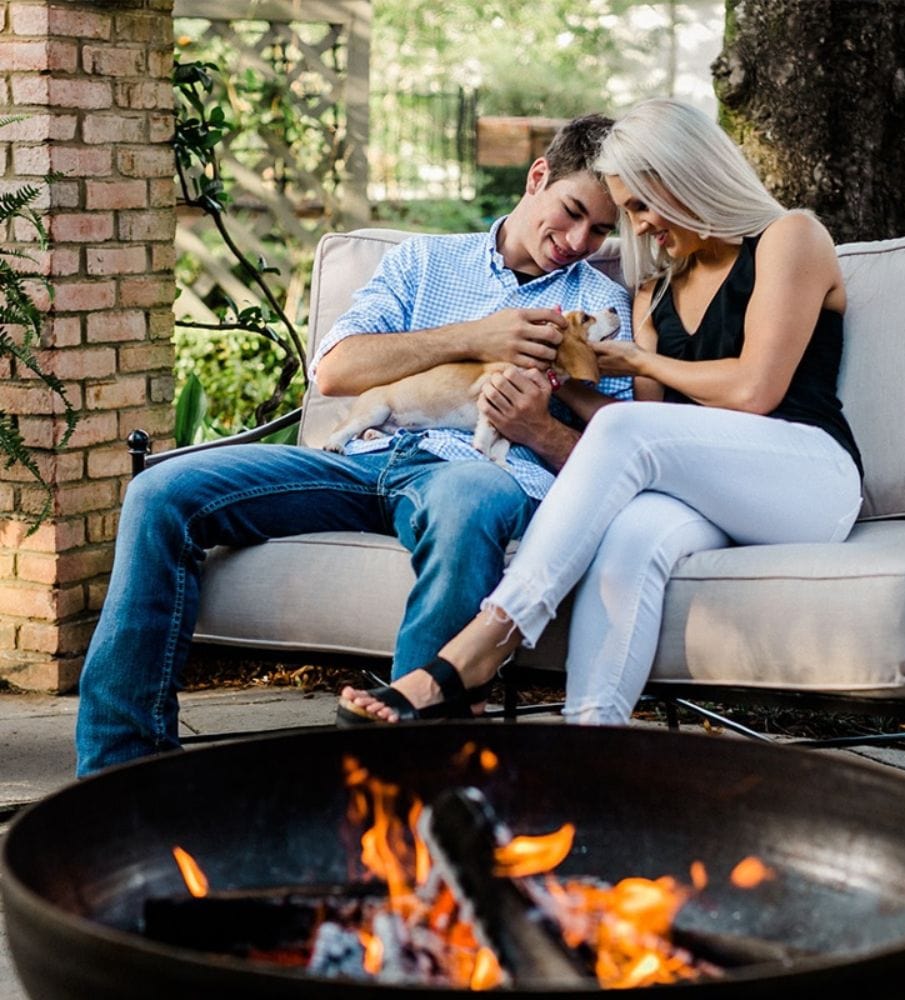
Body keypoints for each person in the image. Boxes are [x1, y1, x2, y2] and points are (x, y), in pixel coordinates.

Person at [75, 113, 633, 775]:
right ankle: (121, 773)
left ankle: (400, 787)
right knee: (160, 491)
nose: (578, 241)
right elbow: (337, 370)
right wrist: (472, 337)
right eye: (571, 213)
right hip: (356, 461)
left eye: (599, 230)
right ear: (537, 177)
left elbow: (616, 452)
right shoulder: (425, 262)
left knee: (473, 498)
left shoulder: (603, 304)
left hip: (470, 473)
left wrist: (540, 421)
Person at [337, 97, 864, 727]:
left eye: (640, 205)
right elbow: (648, 423)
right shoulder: (655, 288)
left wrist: (640, 362)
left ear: (683, 177)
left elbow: (754, 390)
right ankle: (589, 751)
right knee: (630, 542)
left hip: (806, 479)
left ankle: (487, 640)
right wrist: (552, 378)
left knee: (622, 433)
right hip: (705, 493)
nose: (637, 228)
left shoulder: (789, 237)